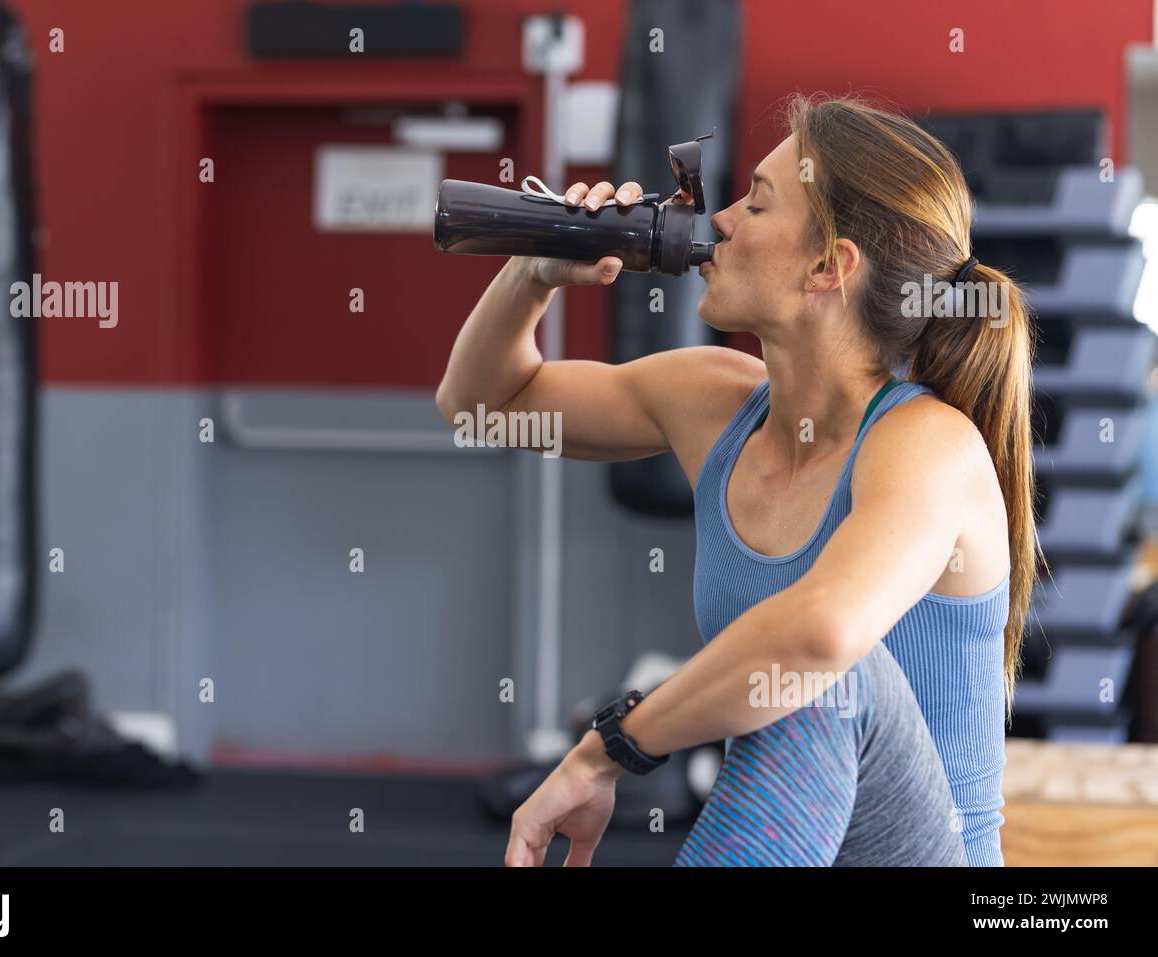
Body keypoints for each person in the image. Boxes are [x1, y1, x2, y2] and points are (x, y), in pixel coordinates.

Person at [436, 94, 1040, 866]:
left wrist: (606, 747)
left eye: (755, 203)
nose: (718, 219)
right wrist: (537, 272)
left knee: (823, 676)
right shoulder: (711, 402)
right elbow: (483, 406)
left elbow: (820, 637)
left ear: (829, 266)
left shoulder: (928, 445)